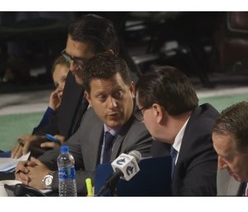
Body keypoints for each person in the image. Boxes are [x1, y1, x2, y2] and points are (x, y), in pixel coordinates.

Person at [15, 54, 153, 196]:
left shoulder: (145, 129)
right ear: (89, 99)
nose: (112, 105)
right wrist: (33, 166)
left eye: (118, 93)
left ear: (131, 90)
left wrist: (49, 178)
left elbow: (114, 180)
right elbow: (70, 151)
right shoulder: (91, 118)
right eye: (102, 97)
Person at [10, 14, 120, 159]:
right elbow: (57, 125)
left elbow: (108, 164)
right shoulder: (75, 79)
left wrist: (66, 153)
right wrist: (39, 139)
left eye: (80, 61)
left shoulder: (124, 98)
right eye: (69, 58)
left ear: (107, 57)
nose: (72, 68)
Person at [135, 65, 219, 195]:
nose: (142, 120)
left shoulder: (207, 140)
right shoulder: (161, 144)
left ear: (157, 111)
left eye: (141, 112)